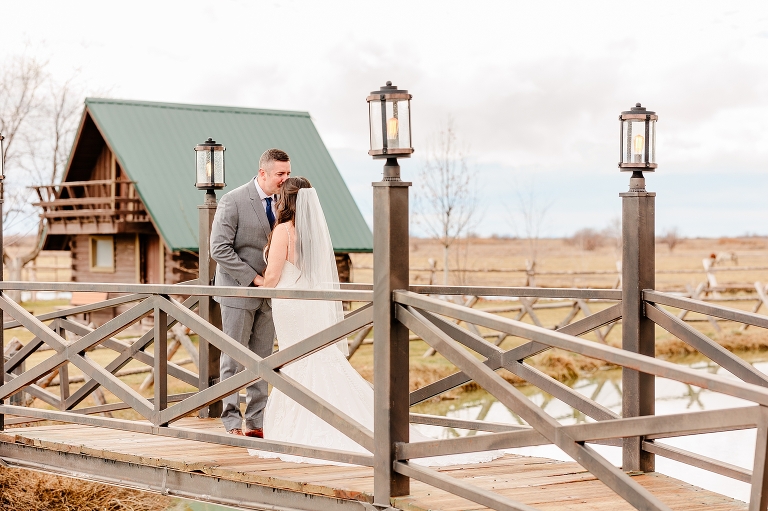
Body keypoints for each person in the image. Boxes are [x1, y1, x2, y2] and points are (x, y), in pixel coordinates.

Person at [250, 177, 501, 466]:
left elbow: (272, 278)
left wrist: (255, 281)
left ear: (286, 200)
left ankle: (308, 426)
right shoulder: (311, 232)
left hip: (291, 307)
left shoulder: (283, 230)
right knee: (315, 357)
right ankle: (350, 424)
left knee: (295, 360)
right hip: (310, 306)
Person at [210, 148, 291, 438]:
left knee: (263, 359)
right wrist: (255, 279)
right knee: (233, 359)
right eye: (280, 174)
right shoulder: (233, 200)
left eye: (288, 173)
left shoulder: (286, 202)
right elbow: (219, 249)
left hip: (270, 296)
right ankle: (231, 421)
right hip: (237, 292)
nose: (285, 179)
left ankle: (256, 421)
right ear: (262, 173)